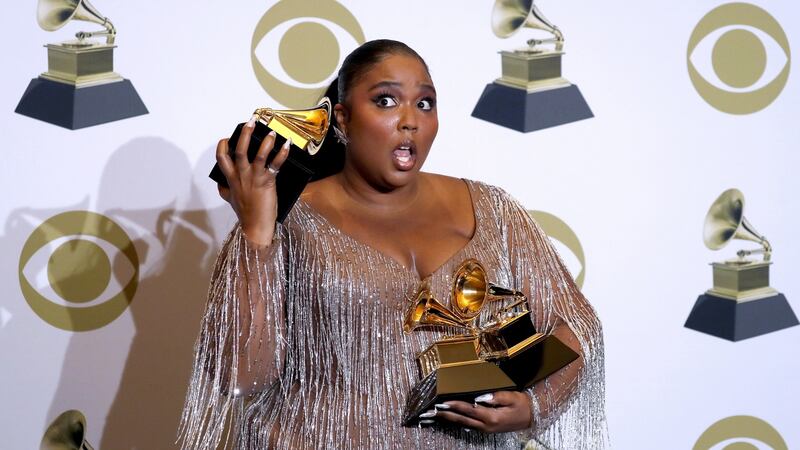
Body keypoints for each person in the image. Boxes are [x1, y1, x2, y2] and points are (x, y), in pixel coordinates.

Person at [179, 39, 607, 449]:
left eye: (425, 103)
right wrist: (256, 232)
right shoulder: (282, 219)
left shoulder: (493, 209)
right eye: (386, 100)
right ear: (343, 119)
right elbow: (242, 375)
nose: (410, 120)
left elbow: (577, 328)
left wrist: (531, 405)